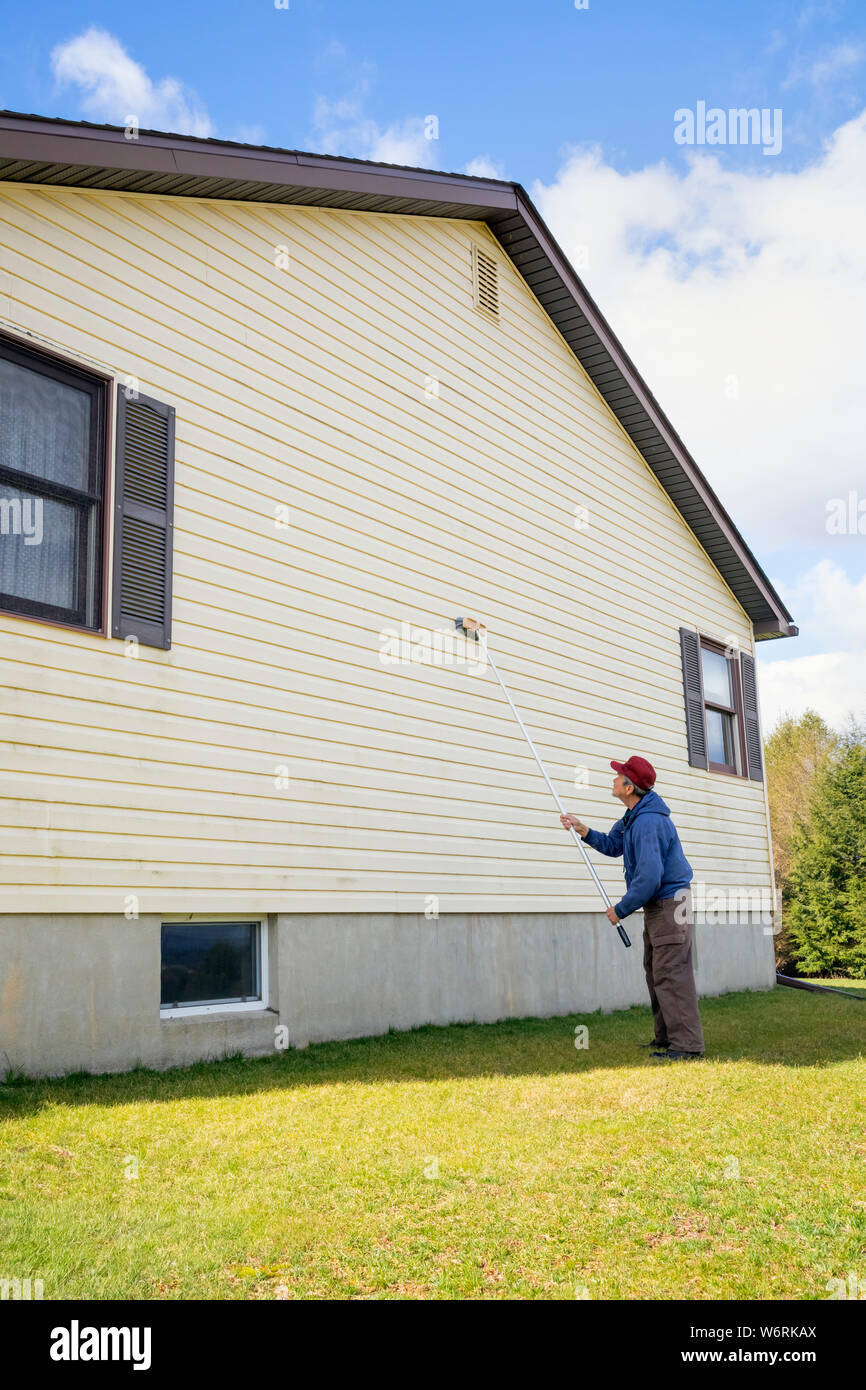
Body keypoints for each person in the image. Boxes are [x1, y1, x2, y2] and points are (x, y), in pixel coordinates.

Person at [561, 756, 705, 1062]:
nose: (613, 779)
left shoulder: (649, 822)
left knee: (671, 973)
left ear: (629, 788)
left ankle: (688, 1047)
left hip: (669, 904)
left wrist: (621, 909)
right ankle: (667, 1039)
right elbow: (614, 845)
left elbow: (650, 878)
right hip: (658, 905)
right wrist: (582, 829)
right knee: (656, 970)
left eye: (619, 776)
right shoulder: (633, 817)